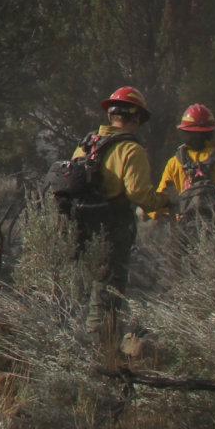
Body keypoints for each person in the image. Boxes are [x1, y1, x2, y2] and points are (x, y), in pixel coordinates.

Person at [66, 87, 168, 301]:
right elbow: (139, 194)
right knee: (109, 291)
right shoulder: (131, 150)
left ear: (110, 114)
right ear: (137, 117)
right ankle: (105, 332)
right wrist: (166, 200)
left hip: (78, 226)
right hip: (113, 228)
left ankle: (76, 331)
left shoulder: (84, 146)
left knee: (80, 290)